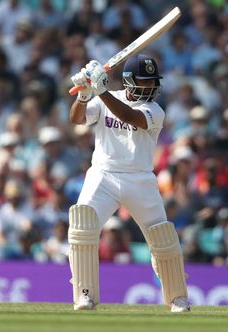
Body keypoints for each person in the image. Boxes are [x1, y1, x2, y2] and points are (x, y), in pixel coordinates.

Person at [67, 55, 190, 312]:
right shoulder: (106, 97)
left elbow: (130, 117)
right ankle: (84, 294)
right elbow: (76, 119)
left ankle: (177, 297)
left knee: (162, 237)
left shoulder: (155, 111)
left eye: (152, 83)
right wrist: (84, 95)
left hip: (140, 178)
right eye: (144, 83)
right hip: (103, 174)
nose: (149, 88)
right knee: (82, 225)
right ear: (128, 81)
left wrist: (100, 90)